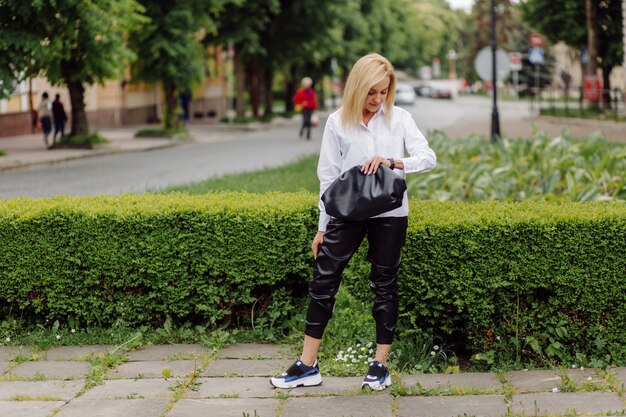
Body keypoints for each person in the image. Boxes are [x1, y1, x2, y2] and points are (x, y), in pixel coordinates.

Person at [270, 53, 436, 391]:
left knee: (384, 283)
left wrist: (392, 161)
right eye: (371, 92)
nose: (376, 100)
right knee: (323, 281)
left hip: (390, 214)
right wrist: (322, 226)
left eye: (383, 92)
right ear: (357, 88)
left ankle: (380, 364)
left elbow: (428, 158)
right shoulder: (337, 122)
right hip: (346, 214)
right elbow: (327, 178)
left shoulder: (400, 118)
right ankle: (306, 365)